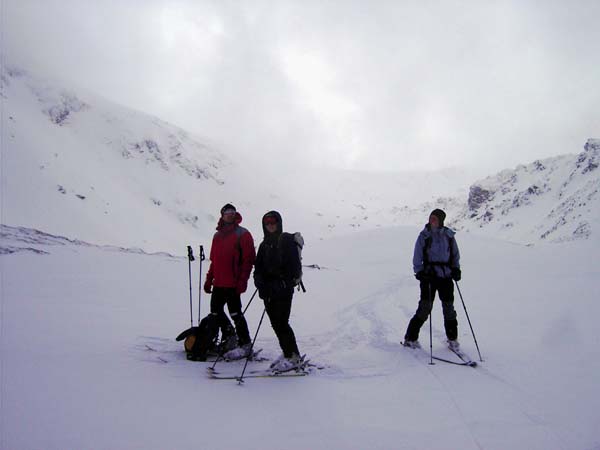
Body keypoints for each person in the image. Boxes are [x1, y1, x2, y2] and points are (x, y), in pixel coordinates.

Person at [403, 209, 462, 350]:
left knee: (449, 308)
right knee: (425, 308)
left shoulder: (449, 236)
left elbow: (455, 254)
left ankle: (452, 339)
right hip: (429, 276)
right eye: (431, 218)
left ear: (441, 220)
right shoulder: (424, 236)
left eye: (435, 218)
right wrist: (419, 272)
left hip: (446, 276)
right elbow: (417, 255)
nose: (432, 221)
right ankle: (410, 338)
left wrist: (456, 269)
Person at [204, 203, 256, 359]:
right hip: (219, 283)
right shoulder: (217, 236)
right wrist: (209, 279)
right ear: (222, 215)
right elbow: (215, 261)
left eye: (233, 212)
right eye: (227, 212)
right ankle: (230, 336)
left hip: (233, 283)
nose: (230, 215)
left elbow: (249, 260)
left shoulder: (243, 234)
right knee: (215, 312)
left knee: (235, 313)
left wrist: (243, 281)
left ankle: (245, 343)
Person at [253, 211, 302, 372]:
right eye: (267, 223)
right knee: (276, 324)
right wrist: (260, 284)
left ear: (279, 223)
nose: (271, 225)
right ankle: (288, 352)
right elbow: (258, 268)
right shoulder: (264, 244)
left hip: (283, 291)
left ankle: (293, 356)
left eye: (273, 222)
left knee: (282, 323)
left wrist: (280, 285)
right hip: (268, 292)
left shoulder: (286, 241)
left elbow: (294, 270)